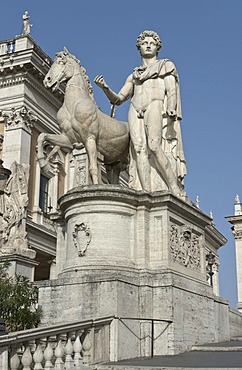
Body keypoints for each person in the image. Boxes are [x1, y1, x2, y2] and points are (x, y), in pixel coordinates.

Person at [94, 30, 186, 194]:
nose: (148, 45)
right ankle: (145, 191)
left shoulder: (165, 66)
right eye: (145, 43)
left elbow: (172, 90)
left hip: (155, 105)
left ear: (157, 47)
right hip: (135, 108)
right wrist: (105, 88)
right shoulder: (134, 76)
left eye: (152, 43)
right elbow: (118, 99)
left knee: (154, 146)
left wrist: (171, 107)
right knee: (139, 150)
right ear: (139, 48)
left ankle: (173, 187)